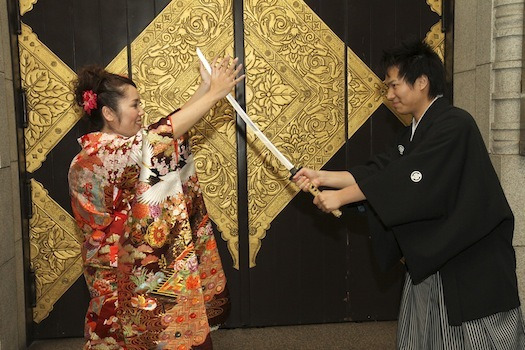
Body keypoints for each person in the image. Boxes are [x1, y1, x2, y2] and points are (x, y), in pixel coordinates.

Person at [293, 39, 525, 349]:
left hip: (471, 260)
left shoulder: (456, 125)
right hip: (435, 259)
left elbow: (407, 178)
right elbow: (379, 171)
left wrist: (341, 198)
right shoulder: (412, 134)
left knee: (478, 338)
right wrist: (320, 177)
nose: (388, 95)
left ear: (421, 82)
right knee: (426, 336)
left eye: (393, 85)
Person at [68, 56, 244, 350]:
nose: (141, 111)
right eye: (134, 104)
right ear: (109, 113)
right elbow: (158, 138)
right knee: (124, 333)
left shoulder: (113, 147)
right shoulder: (97, 155)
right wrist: (214, 94)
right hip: (116, 268)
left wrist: (204, 88)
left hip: (131, 259)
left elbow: (160, 135)